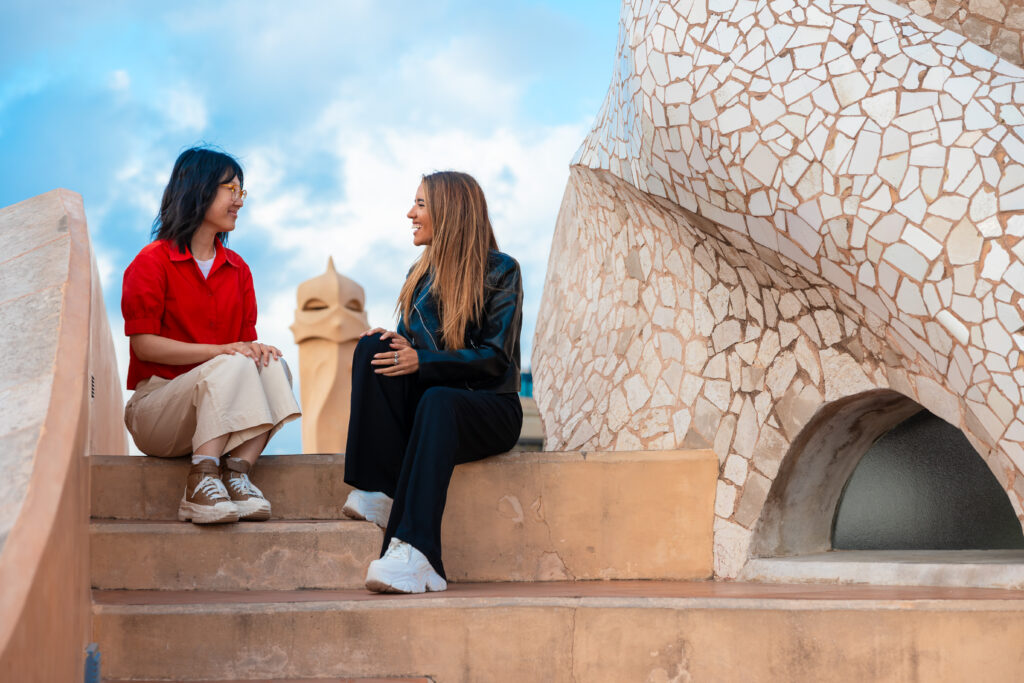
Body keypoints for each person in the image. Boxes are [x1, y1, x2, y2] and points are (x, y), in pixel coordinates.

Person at [342, 171, 523, 594]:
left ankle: (419, 555)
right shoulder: (418, 274)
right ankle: (381, 488)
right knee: (374, 348)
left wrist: (421, 360)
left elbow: (495, 358)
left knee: (439, 399)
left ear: (450, 210)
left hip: (490, 407)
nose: (411, 213)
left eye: (421, 204)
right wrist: (398, 345)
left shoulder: (501, 270)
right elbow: (408, 354)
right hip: (432, 405)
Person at [121, 146, 301, 525]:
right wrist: (223, 351)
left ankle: (236, 474)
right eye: (229, 189)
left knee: (271, 365)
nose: (238, 201)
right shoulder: (151, 262)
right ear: (198, 190)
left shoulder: (238, 270)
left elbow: (244, 355)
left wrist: (254, 350)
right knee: (230, 362)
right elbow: (144, 344)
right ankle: (201, 479)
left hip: (220, 414)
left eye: (241, 192)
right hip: (158, 411)